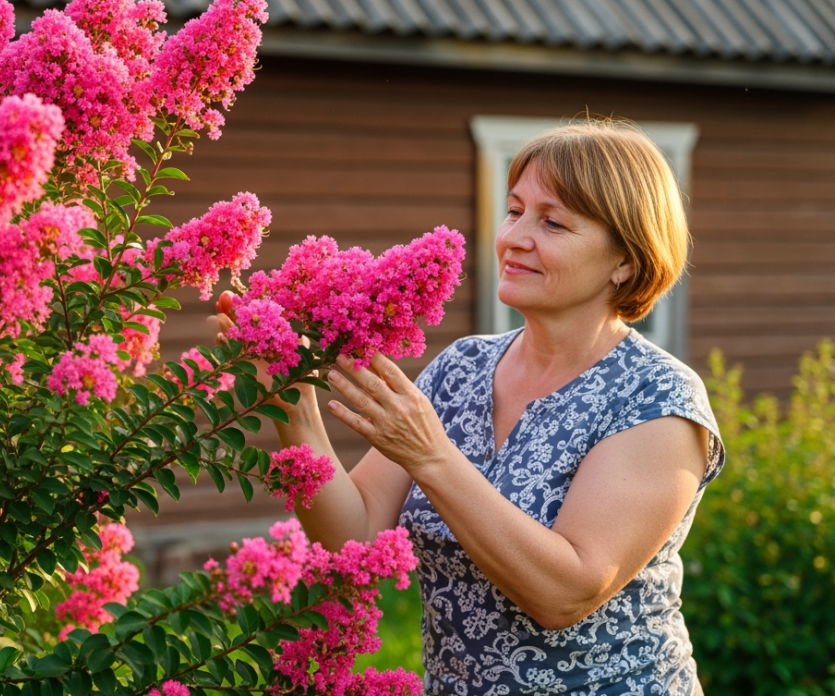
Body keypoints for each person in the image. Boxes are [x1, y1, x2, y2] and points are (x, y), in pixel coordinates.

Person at [209, 121, 724, 695]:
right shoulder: (463, 368)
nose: (515, 237)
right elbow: (349, 535)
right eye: (514, 211)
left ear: (625, 260)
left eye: (552, 222)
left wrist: (433, 458)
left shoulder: (657, 398)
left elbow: (566, 593)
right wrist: (291, 403)